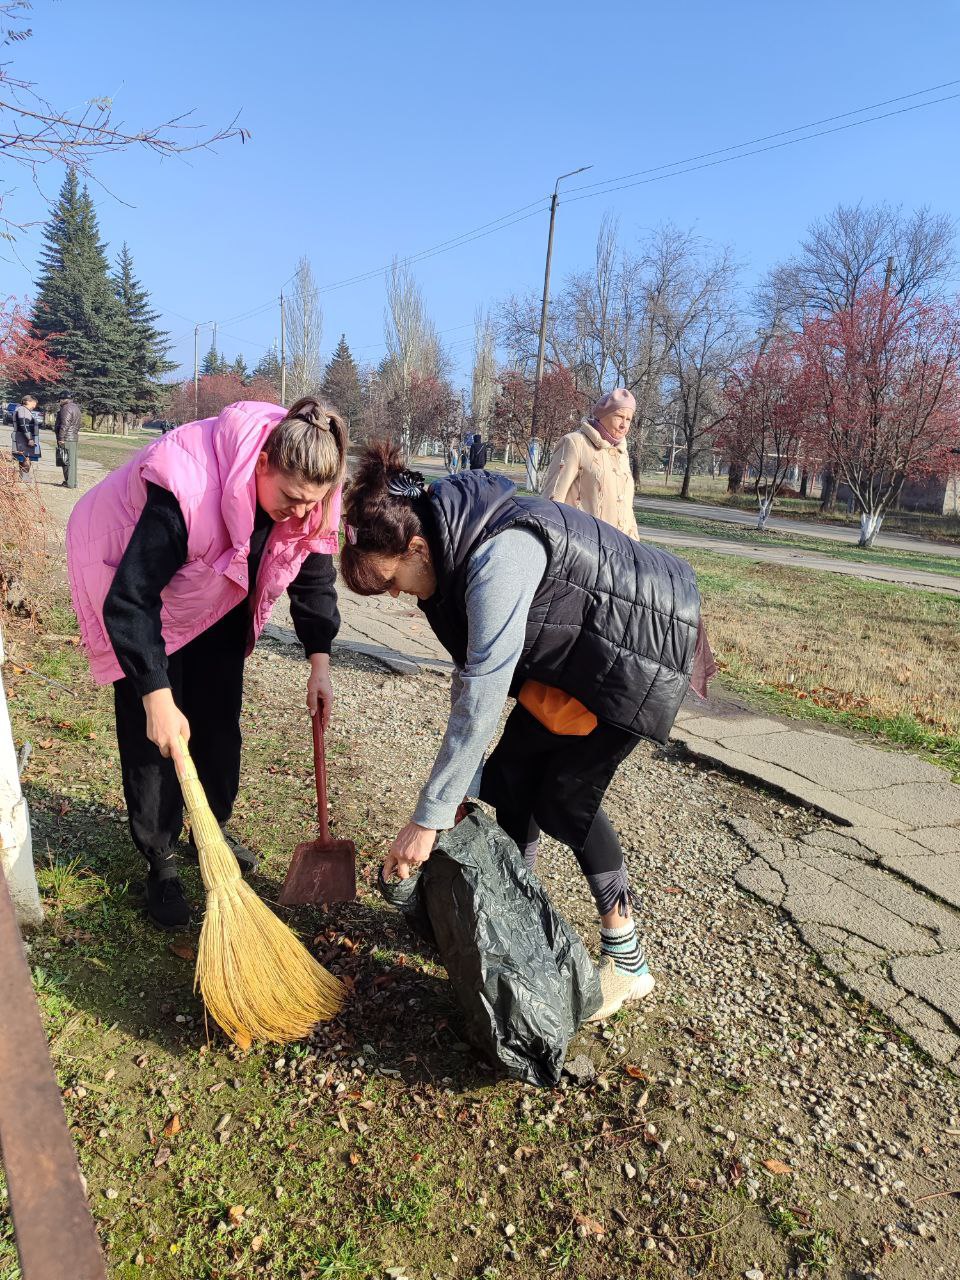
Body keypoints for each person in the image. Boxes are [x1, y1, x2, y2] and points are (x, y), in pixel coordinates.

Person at [341, 443, 706, 1021]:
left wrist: (429, 817)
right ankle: (516, 924)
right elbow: (472, 680)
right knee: (511, 781)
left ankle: (628, 961)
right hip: (570, 656)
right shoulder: (446, 550)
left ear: (415, 547)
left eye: (391, 581)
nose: (394, 595)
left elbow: (483, 693)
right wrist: (454, 790)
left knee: (565, 800)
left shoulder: (497, 557)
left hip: (634, 650)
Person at [66, 397, 346, 928]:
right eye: (290, 499)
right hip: (137, 581)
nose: (302, 513)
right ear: (261, 462)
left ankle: (210, 829)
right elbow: (130, 600)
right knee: (155, 737)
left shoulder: (312, 492)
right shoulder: (187, 489)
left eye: (313, 504)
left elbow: (313, 577)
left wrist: (320, 661)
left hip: (220, 593)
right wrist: (155, 692)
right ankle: (161, 855)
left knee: (218, 724)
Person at [541, 387, 639, 539]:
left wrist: (635, 548)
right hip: (582, 549)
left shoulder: (622, 454)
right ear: (603, 415)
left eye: (628, 419)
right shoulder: (575, 443)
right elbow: (552, 501)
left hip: (621, 553)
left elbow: (627, 510)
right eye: (619, 416)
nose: (624, 425)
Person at [55, 394, 82, 488]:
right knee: (72, 461)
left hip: (66, 438)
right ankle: (73, 482)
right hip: (73, 437)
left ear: (63, 399)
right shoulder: (76, 407)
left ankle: (69, 482)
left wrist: (61, 438)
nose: (59, 403)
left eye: (60, 400)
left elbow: (64, 424)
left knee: (65, 461)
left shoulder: (66, 408)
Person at [12, 395, 41, 481]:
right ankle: (25, 477)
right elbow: (24, 425)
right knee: (26, 457)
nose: (35, 406)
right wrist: (30, 439)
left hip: (22, 437)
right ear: (28, 401)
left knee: (23, 457)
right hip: (23, 438)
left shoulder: (22, 410)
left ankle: (23, 477)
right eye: (34, 403)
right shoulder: (23, 410)